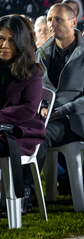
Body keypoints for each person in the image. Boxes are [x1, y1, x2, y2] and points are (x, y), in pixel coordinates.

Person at [26, 3, 84, 198]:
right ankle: (14, 191)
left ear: (73, 22)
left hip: (76, 121)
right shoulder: (41, 53)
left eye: (58, 19)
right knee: (19, 132)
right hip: (46, 118)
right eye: (49, 19)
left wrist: (61, 110)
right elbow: (36, 90)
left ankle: (25, 193)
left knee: (39, 134)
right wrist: (42, 106)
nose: (52, 24)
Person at [0, 15, 46, 208]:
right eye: (1, 38)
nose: (4, 45)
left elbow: (28, 109)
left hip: (18, 131)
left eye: (11, 40)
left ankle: (13, 198)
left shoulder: (32, 71)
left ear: (21, 42)